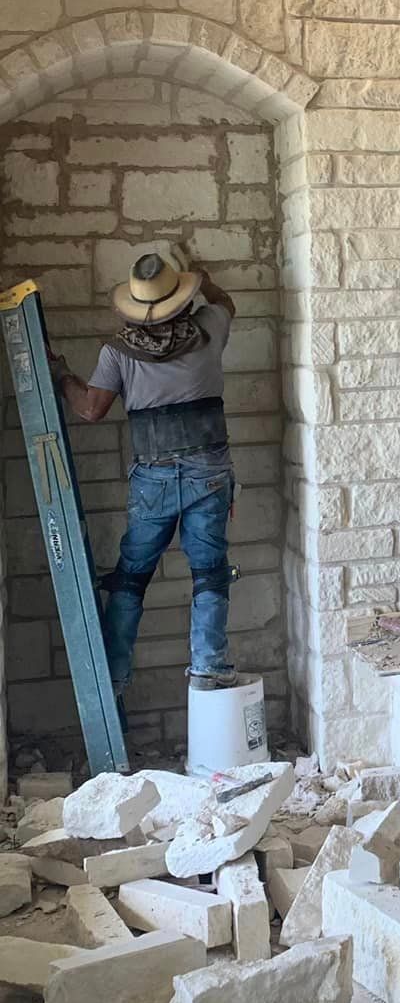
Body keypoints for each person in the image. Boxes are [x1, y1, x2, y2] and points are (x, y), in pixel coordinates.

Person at [51, 252, 239, 697]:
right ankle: (208, 665)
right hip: (209, 473)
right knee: (209, 571)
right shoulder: (211, 327)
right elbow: (225, 300)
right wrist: (204, 281)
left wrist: (59, 371)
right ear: (182, 297)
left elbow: (90, 409)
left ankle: (114, 676)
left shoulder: (118, 351)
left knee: (131, 575)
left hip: (152, 478)